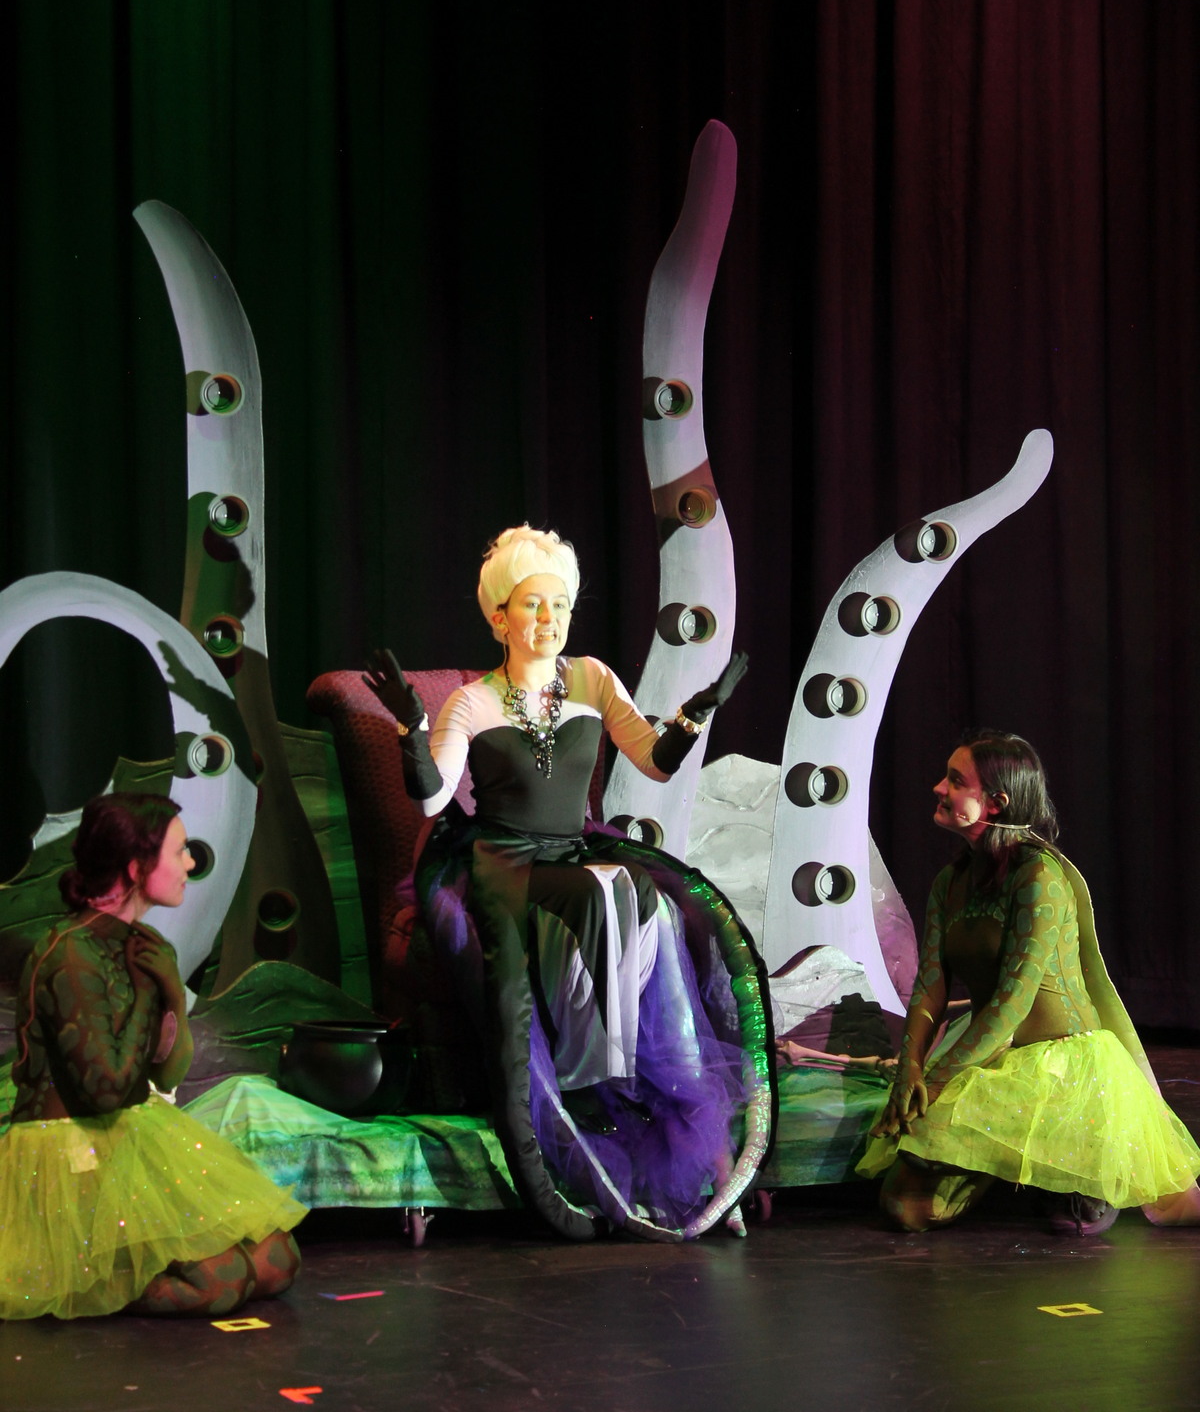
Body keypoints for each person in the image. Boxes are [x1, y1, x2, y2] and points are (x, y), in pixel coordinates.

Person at [364, 524, 773, 1241]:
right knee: (601, 889)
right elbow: (432, 799)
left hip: (576, 854)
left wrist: (697, 713)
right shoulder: (473, 703)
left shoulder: (591, 679)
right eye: (532, 606)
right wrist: (409, 728)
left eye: (560, 605)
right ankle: (594, 1074)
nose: (548, 620)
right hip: (502, 862)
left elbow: (652, 759)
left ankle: (619, 1066)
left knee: (644, 893)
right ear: (499, 618)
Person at [858, 730, 1200, 1234]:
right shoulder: (949, 884)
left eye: (956, 782)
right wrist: (909, 1067)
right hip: (995, 1056)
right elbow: (930, 986)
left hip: (1067, 1068)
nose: (937, 788)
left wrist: (932, 1080)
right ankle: (1013, 1171)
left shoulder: (1038, 878)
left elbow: (1011, 1006)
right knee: (905, 1207)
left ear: (996, 803)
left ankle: (1067, 1176)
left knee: (1074, 1222)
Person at [0, 793, 306, 1319]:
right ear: (138, 867)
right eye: (180, 851)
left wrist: (171, 999)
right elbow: (105, 1091)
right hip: (70, 1156)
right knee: (221, 1281)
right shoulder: (71, 954)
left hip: (128, 1132)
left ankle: (134, 1267)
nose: (191, 863)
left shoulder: (142, 943)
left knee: (278, 1260)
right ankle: (99, 1278)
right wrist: (154, 990)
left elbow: (168, 1071)